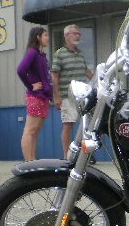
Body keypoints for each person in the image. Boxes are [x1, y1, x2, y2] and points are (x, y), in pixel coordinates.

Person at [51, 24, 94, 159]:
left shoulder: (80, 53)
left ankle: (85, 155)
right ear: (66, 36)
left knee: (86, 126)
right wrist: (57, 97)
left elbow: (86, 72)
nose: (78, 36)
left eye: (78, 34)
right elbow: (54, 76)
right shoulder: (59, 54)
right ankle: (67, 156)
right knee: (68, 125)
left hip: (82, 97)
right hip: (67, 97)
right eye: (75, 33)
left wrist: (98, 80)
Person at [17, 27, 52, 161]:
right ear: (38, 37)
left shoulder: (40, 55)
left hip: (43, 96)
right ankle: (28, 162)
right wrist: (31, 86)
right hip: (36, 96)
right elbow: (21, 70)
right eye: (45, 35)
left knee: (35, 132)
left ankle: (32, 160)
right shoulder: (32, 52)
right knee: (30, 131)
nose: (48, 38)